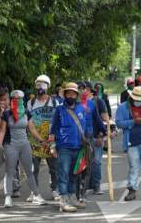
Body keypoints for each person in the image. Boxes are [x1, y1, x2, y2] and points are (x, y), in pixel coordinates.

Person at [0, 90, 46, 207]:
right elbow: (2, 131)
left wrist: (41, 140)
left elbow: (32, 128)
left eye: (19, 99)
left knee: (29, 171)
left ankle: (36, 195)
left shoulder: (26, 112)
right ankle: (8, 197)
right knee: (9, 171)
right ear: (12, 100)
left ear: (23, 100)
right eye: (15, 99)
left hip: (25, 144)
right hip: (10, 145)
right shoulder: (7, 113)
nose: (17, 101)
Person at [116, 86, 141, 201]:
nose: (139, 102)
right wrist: (134, 121)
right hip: (131, 142)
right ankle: (132, 190)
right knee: (134, 167)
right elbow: (119, 123)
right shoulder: (123, 108)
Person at [50, 82, 87, 212]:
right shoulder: (59, 110)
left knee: (74, 175)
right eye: (68, 93)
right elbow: (52, 130)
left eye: (73, 93)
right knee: (63, 174)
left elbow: (85, 128)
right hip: (64, 148)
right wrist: (52, 146)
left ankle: (72, 198)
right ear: (65, 94)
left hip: (78, 147)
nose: (71, 95)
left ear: (76, 95)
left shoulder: (81, 109)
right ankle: (63, 200)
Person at [26, 75, 60, 202]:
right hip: (35, 141)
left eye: (43, 84)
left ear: (48, 86)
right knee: (33, 168)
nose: (40, 87)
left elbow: (58, 121)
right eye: (38, 84)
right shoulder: (30, 103)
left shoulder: (55, 102)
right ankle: (34, 192)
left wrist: (53, 139)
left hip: (51, 140)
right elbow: (30, 124)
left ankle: (55, 190)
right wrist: (40, 139)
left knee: (54, 167)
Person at [77, 82, 106, 196]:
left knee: (89, 164)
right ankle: (74, 190)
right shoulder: (70, 105)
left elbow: (98, 120)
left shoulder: (92, 104)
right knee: (77, 165)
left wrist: (105, 131)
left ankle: (84, 191)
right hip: (75, 139)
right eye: (80, 89)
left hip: (89, 139)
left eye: (84, 89)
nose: (82, 91)